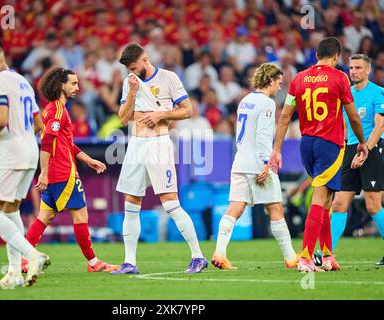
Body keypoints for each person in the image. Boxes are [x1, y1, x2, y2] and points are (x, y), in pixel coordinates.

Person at [269, 37, 369, 272]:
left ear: (316, 55)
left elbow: (284, 117)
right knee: (320, 198)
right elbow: (353, 116)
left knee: (326, 201)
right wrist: (362, 142)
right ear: (336, 56)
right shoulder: (339, 78)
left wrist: (277, 149)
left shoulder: (299, 78)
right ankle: (305, 256)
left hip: (307, 144)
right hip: (329, 145)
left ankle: (327, 255)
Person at [112, 43, 208, 275]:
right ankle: (130, 262)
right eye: (129, 70)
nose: (132, 73)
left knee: (170, 203)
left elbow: (187, 110)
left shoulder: (168, 78)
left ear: (145, 59)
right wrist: (133, 92)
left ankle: (198, 256)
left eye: (134, 68)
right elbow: (123, 119)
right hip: (136, 145)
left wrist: (161, 114)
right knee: (131, 204)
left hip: (158, 145)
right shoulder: (129, 83)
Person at [22, 67, 119, 273]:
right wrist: (45, 173)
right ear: (60, 85)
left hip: (57, 172)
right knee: (81, 216)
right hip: (63, 173)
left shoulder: (51, 109)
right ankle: (94, 263)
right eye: (73, 83)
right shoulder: (58, 110)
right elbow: (47, 141)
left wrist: (88, 159)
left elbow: (67, 143)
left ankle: (23, 259)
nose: (77, 87)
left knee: (45, 217)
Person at [0, 43, 50, 289]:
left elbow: (1, 120)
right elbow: (39, 123)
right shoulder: (23, 81)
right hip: (29, 150)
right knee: (10, 210)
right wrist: (24, 136)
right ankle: (15, 272)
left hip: (9, 152)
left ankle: (33, 256)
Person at [211, 63, 298, 270]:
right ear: (270, 81)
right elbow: (263, 136)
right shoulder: (267, 103)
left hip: (240, 161)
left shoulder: (245, 100)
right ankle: (290, 257)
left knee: (235, 208)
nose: (279, 87)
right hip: (257, 164)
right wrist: (266, 164)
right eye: (278, 82)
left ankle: (219, 253)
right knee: (276, 208)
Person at [329, 54, 384, 265]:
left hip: (372, 148)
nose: (354, 71)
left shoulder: (378, 93)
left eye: (359, 68)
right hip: (351, 149)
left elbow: (379, 125)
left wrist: (366, 150)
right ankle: (327, 254)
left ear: (368, 70)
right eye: (351, 67)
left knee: (373, 205)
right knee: (339, 204)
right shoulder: (347, 94)